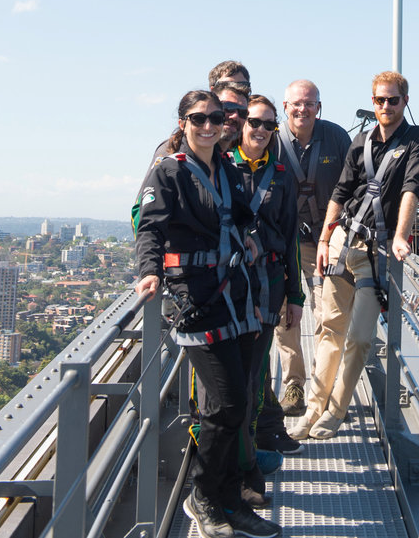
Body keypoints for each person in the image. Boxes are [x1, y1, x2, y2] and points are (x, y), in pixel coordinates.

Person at [135, 90, 281, 538]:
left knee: (235, 405)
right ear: (183, 122)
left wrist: (252, 238)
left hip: (235, 296)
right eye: (198, 118)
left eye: (215, 118)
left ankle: (229, 499)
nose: (208, 124)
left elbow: (241, 218)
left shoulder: (228, 170)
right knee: (228, 403)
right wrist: (149, 273)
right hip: (196, 300)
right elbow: (150, 227)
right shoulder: (169, 172)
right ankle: (203, 495)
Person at [292, 71, 419, 441]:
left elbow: (410, 189)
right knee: (330, 329)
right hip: (344, 240)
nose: (386, 106)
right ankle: (312, 408)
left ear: (406, 101)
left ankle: (335, 411)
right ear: (372, 102)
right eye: (380, 100)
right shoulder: (362, 141)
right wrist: (325, 239)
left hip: (377, 251)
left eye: (393, 100)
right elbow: (341, 192)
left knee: (359, 337)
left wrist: (401, 236)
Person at [232, 95, 303, 501]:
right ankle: (236, 468)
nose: (260, 130)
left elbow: (291, 236)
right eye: (254, 122)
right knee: (231, 384)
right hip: (228, 289)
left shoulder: (281, 176)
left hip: (267, 286)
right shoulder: (222, 168)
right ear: (241, 124)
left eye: (268, 125)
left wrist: (295, 295)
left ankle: (247, 467)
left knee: (255, 377)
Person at [273, 79, 351, 416]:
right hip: (286, 241)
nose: (302, 109)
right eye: (296, 103)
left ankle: (323, 385)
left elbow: (355, 184)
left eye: (309, 103)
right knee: (284, 314)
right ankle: (293, 384)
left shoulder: (335, 138)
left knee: (327, 312)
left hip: (327, 239)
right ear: (285, 107)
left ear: (319, 107)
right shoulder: (273, 140)